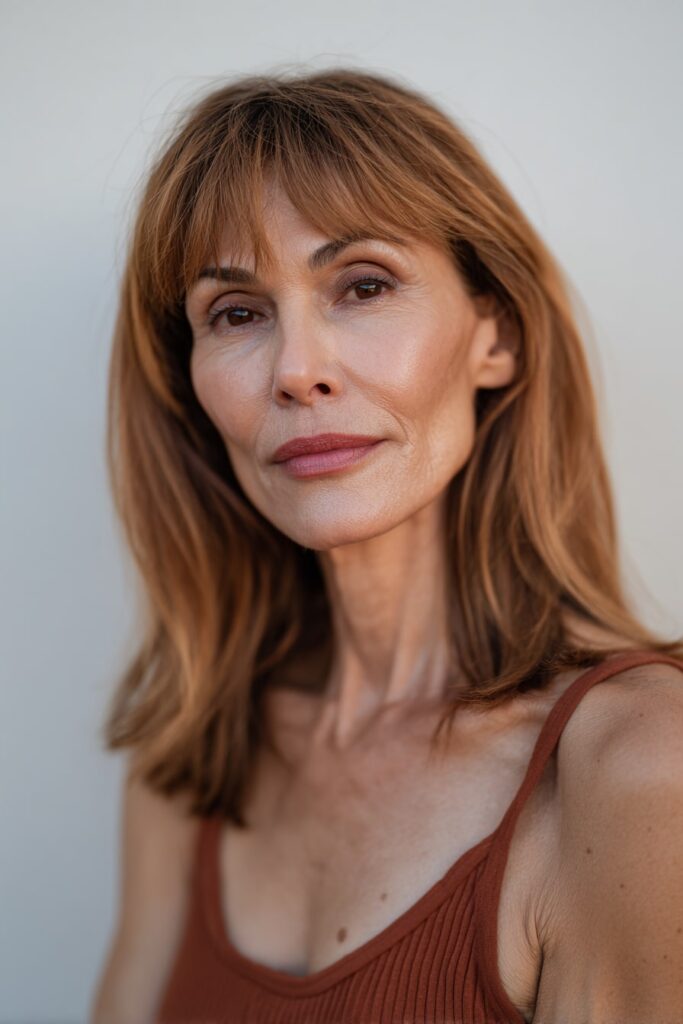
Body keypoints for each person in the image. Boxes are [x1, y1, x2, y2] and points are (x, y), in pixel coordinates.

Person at [89, 68, 683, 1024]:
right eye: (236, 313)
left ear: (496, 335)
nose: (295, 371)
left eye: (361, 286)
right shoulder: (191, 760)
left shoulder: (638, 770)